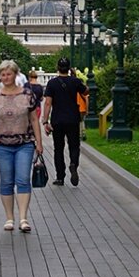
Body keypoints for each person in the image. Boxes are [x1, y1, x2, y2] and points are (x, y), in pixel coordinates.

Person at [0, 60, 43, 232]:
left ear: (15, 75)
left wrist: (39, 142)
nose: (6, 77)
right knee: (6, 180)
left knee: (23, 179)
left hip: (25, 143)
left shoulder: (27, 95)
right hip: (2, 144)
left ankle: (23, 218)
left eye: (9, 74)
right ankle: (9, 217)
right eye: (2, 74)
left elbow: (33, 119)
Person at [42, 56, 88, 186]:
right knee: (74, 145)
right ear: (69, 69)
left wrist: (45, 121)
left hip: (57, 120)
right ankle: (73, 163)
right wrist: (77, 79)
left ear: (57, 68)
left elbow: (47, 103)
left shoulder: (52, 83)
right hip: (73, 119)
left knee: (58, 148)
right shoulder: (75, 81)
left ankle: (60, 177)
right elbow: (86, 92)